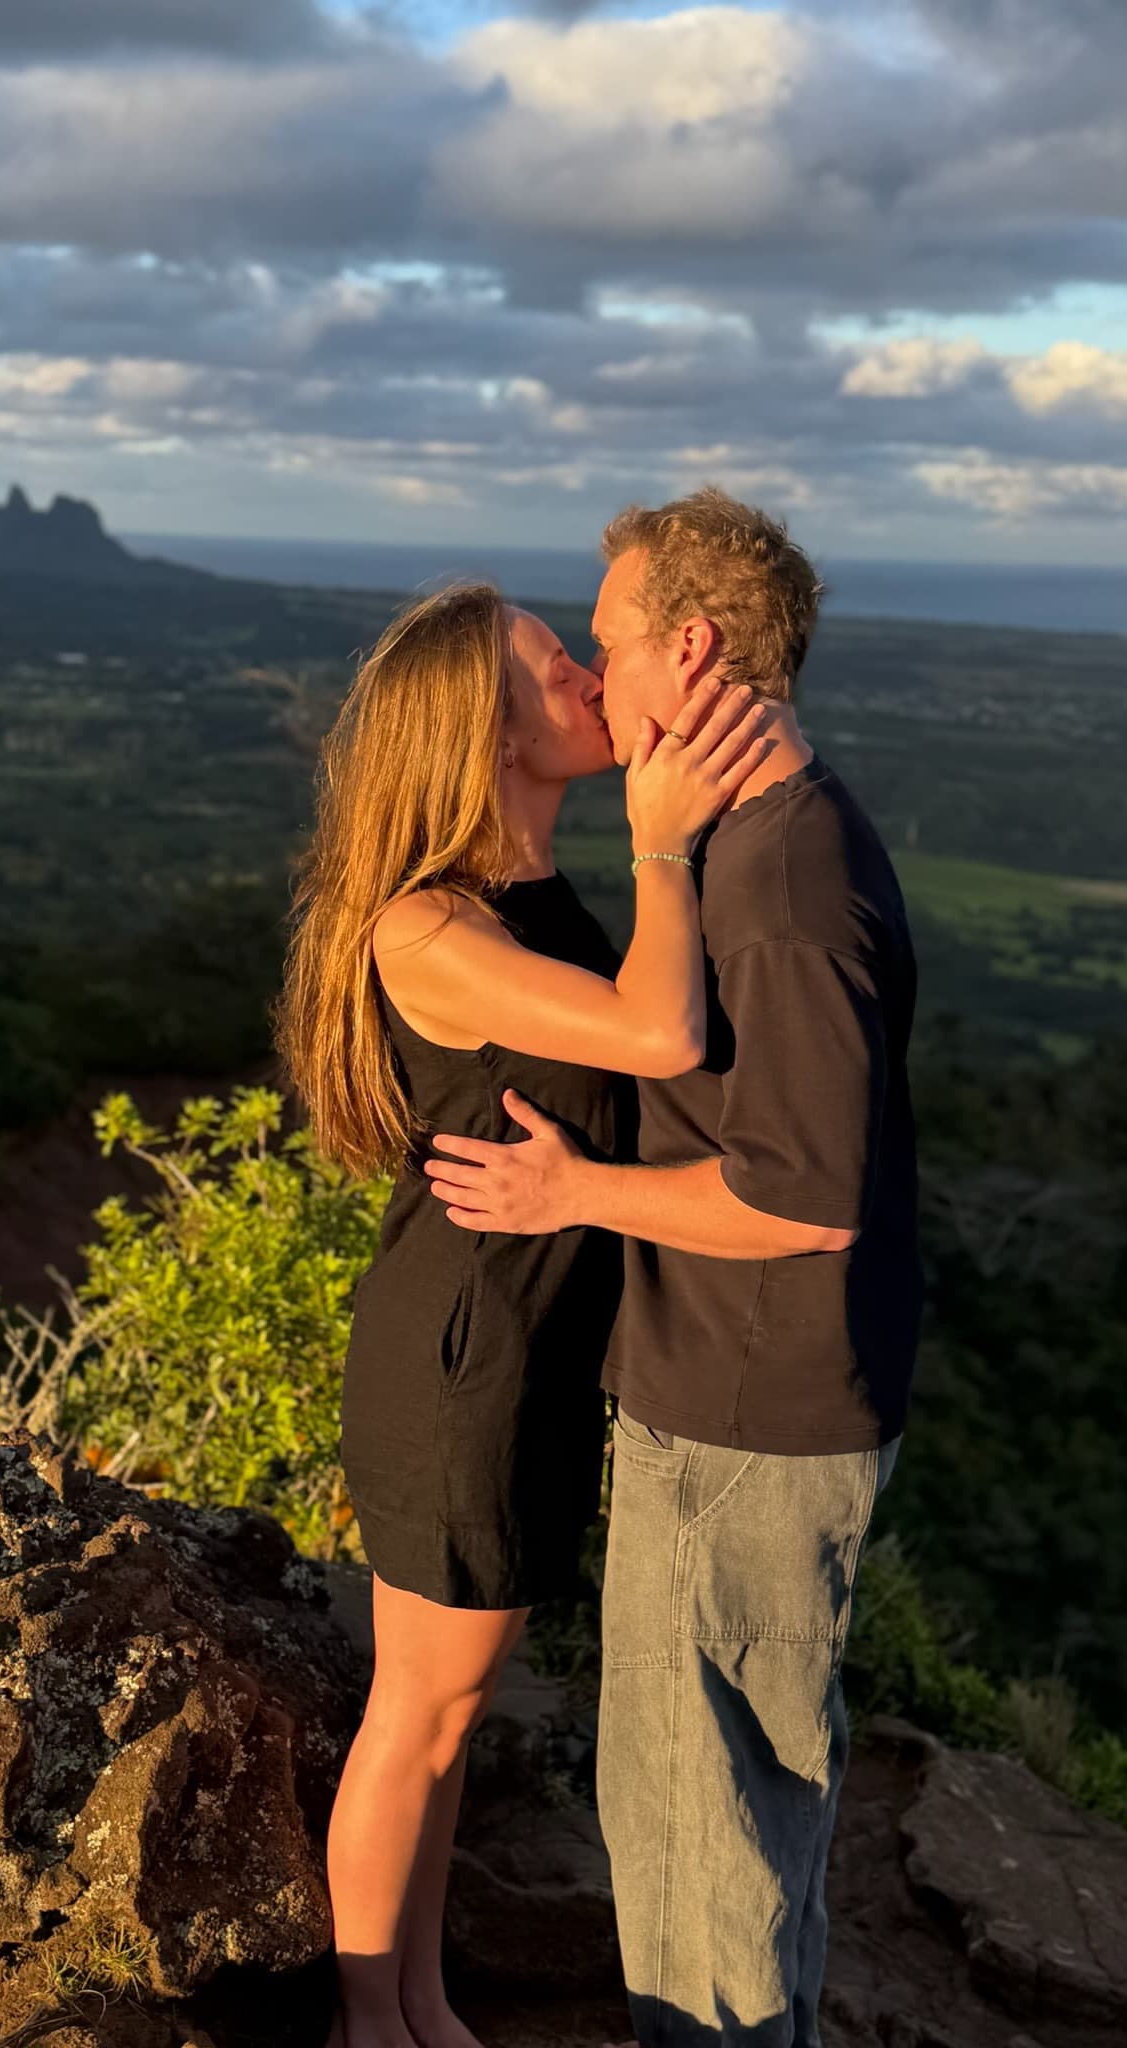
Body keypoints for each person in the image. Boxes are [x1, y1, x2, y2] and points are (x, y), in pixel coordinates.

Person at [423, 491, 921, 2048]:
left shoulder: (777, 881)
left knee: (699, 1839)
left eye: (613, 636)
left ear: (690, 647)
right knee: (737, 1815)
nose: (595, 669)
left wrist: (580, 1187)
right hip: (755, 1393)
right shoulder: (760, 841)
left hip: (742, 1407)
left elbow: (802, 1204)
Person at [277, 580, 770, 2048]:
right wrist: (668, 842)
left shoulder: (535, 897)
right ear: (485, 731)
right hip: (463, 1352)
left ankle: (426, 2008)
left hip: (522, 1343)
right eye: (555, 666)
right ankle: (378, 2026)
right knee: (418, 1715)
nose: (583, 675)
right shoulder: (427, 930)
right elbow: (661, 1031)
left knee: (450, 1715)